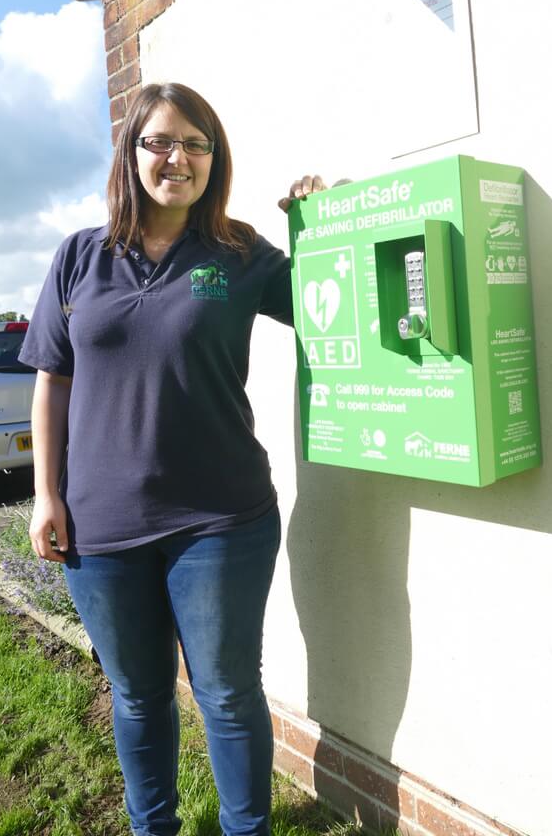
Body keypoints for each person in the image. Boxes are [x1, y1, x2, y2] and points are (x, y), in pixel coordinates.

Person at [20, 82, 324, 836]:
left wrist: (323, 222)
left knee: (224, 694)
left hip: (221, 519)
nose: (177, 157)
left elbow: (331, 297)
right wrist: (46, 495)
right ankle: (152, 828)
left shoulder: (240, 252)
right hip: (103, 526)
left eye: (195, 143)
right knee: (138, 695)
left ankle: (244, 830)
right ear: (131, 154)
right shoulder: (80, 257)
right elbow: (52, 382)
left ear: (213, 161)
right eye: (159, 141)